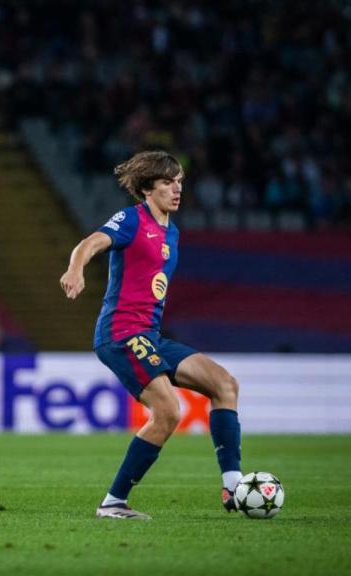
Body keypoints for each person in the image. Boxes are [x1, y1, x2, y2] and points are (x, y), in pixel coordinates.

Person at [59, 150, 244, 520]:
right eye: (167, 183)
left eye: (180, 182)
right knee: (167, 411)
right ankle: (113, 503)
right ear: (147, 189)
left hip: (149, 334)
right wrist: (76, 268)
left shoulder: (171, 232)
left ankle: (234, 486)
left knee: (224, 385)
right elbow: (90, 242)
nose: (177, 189)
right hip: (121, 333)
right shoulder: (131, 220)